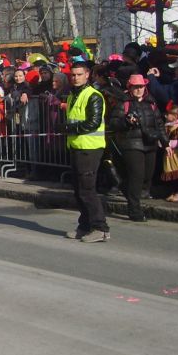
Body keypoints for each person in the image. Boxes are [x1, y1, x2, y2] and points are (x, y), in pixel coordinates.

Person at [107, 74, 164, 222]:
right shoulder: (124, 103)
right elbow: (113, 124)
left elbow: (159, 123)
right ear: (130, 88)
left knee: (147, 177)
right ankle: (134, 210)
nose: (138, 90)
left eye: (141, 87)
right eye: (135, 87)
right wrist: (126, 122)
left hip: (150, 143)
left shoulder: (151, 103)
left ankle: (124, 186)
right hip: (131, 144)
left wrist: (165, 141)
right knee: (137, 177)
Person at [64, 60, 109, 242]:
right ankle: (85, 225)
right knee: (78, 190)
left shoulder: (94, 95)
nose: (75, 78)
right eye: (73, 75)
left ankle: (100, 227)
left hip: (90, 147)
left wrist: (70, 129)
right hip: (76, 145)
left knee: (87, 190)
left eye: (79, 75)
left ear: (87, 75)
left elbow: (93, 122)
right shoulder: (72, 96)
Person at [161, 104, 178, 202]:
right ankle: (173, 192)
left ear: (176, 115)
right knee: (172, 175)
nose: (166, 116)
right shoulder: (166, 126)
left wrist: (169, 144)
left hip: (177, 153)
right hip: (169, 154)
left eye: (168, 114)